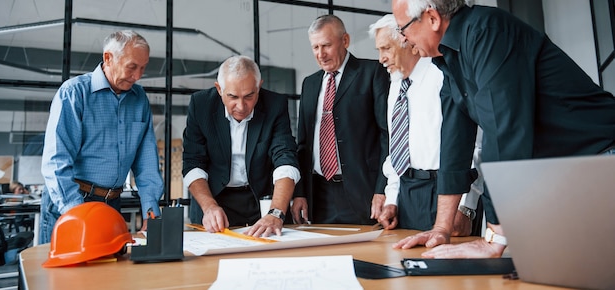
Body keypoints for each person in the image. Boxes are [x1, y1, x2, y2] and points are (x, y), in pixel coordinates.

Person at [389, 0, 615, 258]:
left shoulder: (487, 32)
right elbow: (454, 141)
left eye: (403, 28)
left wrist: (495, 235)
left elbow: (504, 131)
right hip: (564, 173)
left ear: (432, 17)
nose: (403, 39)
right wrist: (441, 228)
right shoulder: (450, 59)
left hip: (600, 159)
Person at [40, 30, 164, 245]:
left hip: (112, 204)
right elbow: (56, 161)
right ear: (108, 58)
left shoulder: (139, 99)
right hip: (72, 202)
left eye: (143, 68)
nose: (138, 76)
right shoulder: (74, 93)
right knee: (64, 276)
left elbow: (147, 161)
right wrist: (79, 214)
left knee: (107, 275)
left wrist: (150, 208)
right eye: (132, 67)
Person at [368, 14, 483, 234]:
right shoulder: (396, 86)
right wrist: (392, 198)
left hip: (446, 191)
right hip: (407, 195)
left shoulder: (443, 76)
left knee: (449, 266)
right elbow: (396, 149)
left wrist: (466, 206)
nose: (381, 58)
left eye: (386, 49)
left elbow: (473, 144)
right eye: (379, 51)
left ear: (409, 43)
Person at [182, 55, 300, 238]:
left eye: (249, 96)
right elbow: (193, 162)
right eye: (232, 97)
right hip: (214, 200)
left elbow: (285, 157)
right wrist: (209, 206)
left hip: (261, 200)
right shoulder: (201, 105)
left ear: (258, 86)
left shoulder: (275, 105)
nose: (241, 106)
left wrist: (276, 212)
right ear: (219, 89)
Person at [291, 14, 389, 225]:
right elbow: (303, 145)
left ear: (345, 40)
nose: (320, 54)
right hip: (318, 196)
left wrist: (382, 189)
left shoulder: (372, 73)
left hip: (362, 194)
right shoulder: (310, 84)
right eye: (315, 47)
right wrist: (299, 193)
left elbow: (387, 136)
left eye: (326, 45)